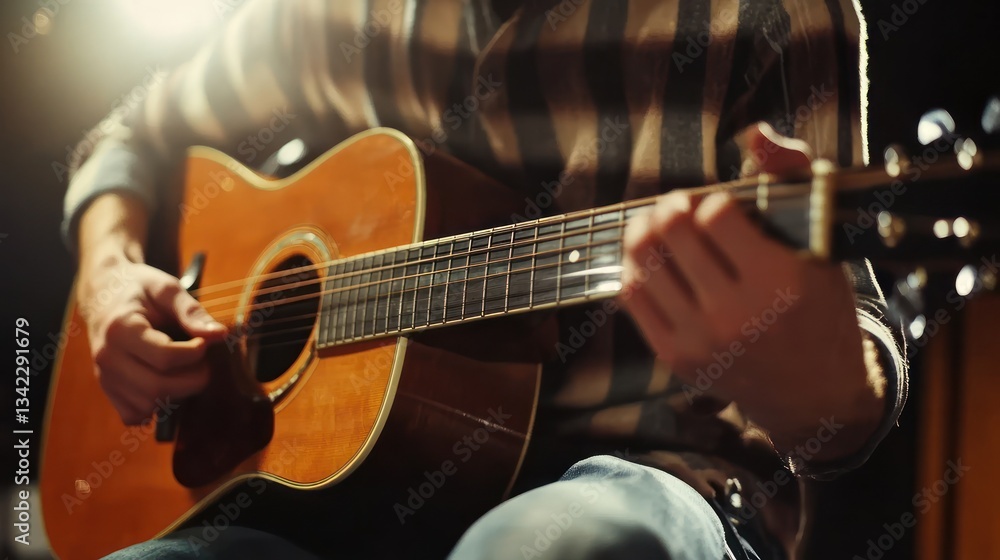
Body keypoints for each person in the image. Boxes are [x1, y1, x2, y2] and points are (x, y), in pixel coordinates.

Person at [63, 0, 906, 558]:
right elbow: (132, 134)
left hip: (651, 476)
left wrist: (824, 396)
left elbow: (847, 376)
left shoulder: (762, 16)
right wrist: (107, 275)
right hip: (320, 506)